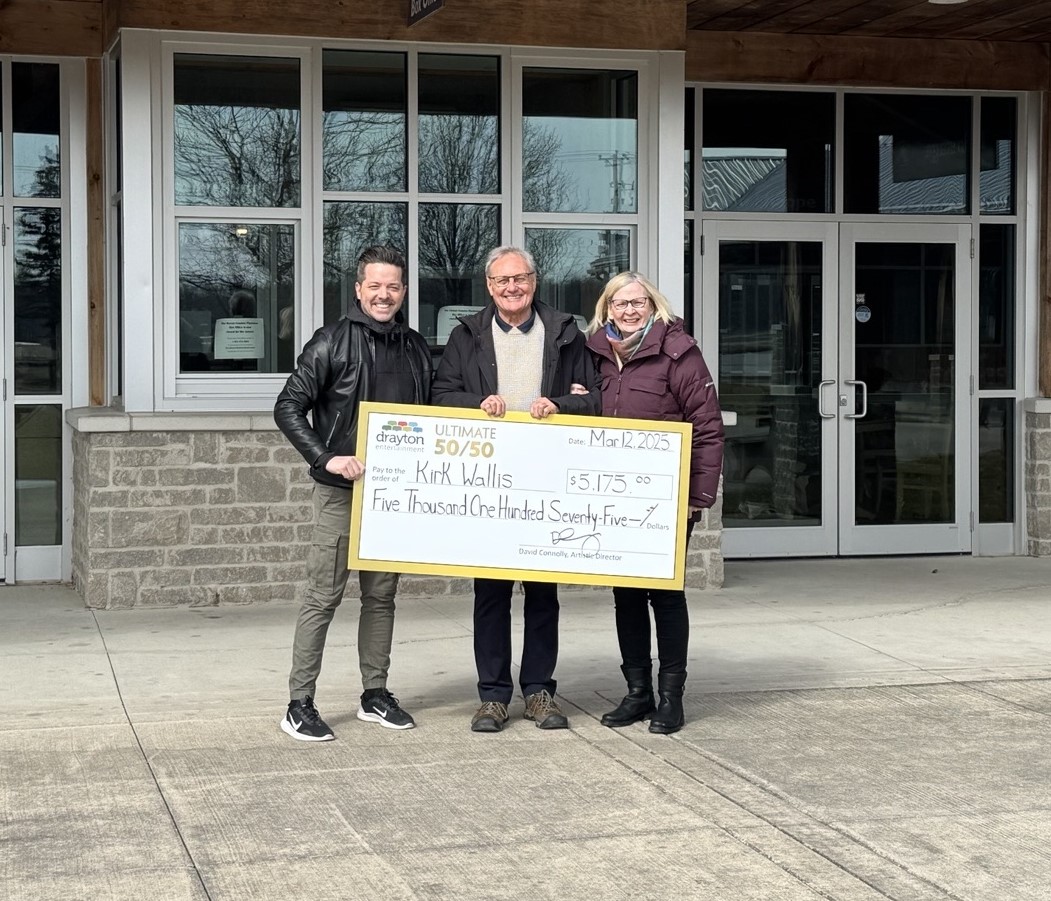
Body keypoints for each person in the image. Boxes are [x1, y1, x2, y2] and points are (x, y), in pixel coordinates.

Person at [432, 245, 600, 733]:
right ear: (489, 286)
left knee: (543, 591)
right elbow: (441, 395)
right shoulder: (467, 335)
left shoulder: (567, 332)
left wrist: (564, 406)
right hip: (491, 480)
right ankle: (492, 696)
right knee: (491, 592)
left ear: (535, 280)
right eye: (502, 280)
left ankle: (540, 691)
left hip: (549, 476)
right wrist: (477, 403)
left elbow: (594, 399)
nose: (512, 288)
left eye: (520, 278)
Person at [274, 245, 432, 741]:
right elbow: (288, 407)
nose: (384, 295)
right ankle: (299, 704)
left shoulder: (415, 346)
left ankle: (375, 694)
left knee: (381, 596)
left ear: (403, 291)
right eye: (375, 286)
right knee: (323, 597)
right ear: (359, 289)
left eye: (394, 287)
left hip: (393, 494)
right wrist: (325, 458)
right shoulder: (331, 342)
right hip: (341, 490)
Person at [584, 271, 723, 734]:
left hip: (665, 499)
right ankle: (637, 693)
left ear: (653, 305)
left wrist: (696, 498)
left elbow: (706, 427)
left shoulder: (679, 354)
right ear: (606, 310)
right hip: (611, 498)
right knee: (625, 595)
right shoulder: (594, 355)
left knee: (664, 593)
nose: (629, 311)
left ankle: (671, 697)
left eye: (637, 302)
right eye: (619, 304)